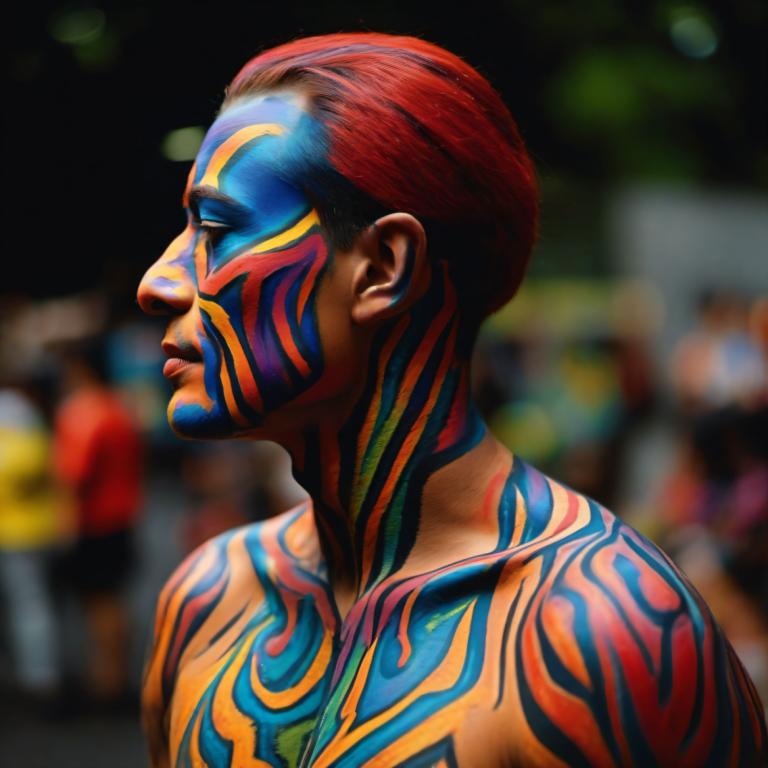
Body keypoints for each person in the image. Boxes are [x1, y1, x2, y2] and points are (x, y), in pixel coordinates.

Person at [137, 32, 767, 767]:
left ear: (381, 268)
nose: (160, 281)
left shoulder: (603, 637)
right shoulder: (208, 598)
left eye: (214, 230)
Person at [52, 337, 143, 705]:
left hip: (92, 522)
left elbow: (75, 476)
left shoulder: (81, 412)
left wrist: (64, 527)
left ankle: (106, 680)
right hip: (122, 515)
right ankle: (114, 673)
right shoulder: (120, 406)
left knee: (97, 604)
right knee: (113, 600)